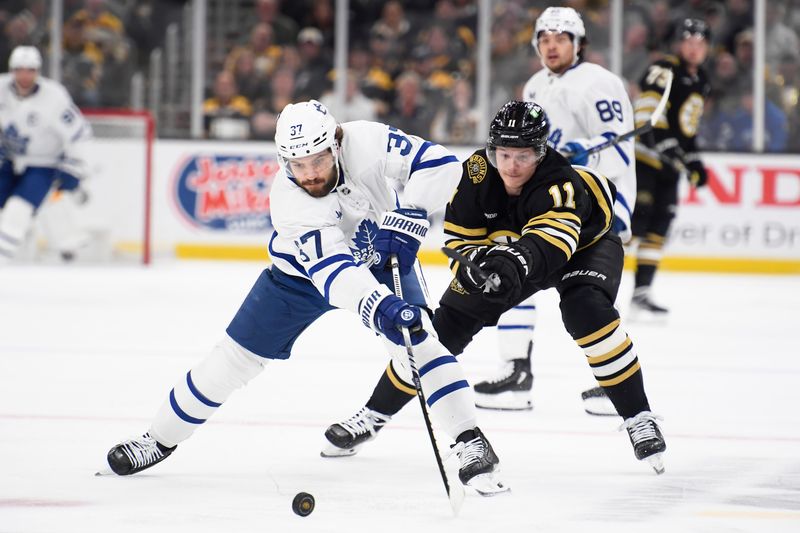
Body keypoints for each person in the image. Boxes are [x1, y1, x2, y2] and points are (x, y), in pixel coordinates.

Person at [103, 100, 508, 495]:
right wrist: (382, 306)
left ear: (336, 142)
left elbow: (441, 165)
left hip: (382, 255)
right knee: (229, 363)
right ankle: (158, 439)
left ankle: (469, 440)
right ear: (283, 162)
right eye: (298, 165)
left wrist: (409, 215)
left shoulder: (364, 139)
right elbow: (335, 275)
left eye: (318, 159)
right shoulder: (290, 203)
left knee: (418, 340)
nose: (310, 174)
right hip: (299, 279)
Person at [323, 101, 667, 475]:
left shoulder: (559, 180)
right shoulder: (475, 174)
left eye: (522, 156)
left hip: (586, 247)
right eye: (503, 154)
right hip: (511, 258)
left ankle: (638, 416)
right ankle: (374, 414)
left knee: (586, 312)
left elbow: (554, 244)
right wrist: (472, 268)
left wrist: (508, 262)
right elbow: (459, 238)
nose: (511, 166)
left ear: (540, 152)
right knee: (442, 333)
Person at [469, 6, 638, 414]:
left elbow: (618, 138)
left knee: (588, 294)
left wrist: (593, 160)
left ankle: (612, 382)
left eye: (560, 39)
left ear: (578, 44)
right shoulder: (534, 86)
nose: (551, 46)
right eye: (544, 39)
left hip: (597, 202)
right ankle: (516, 371)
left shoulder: (599, 82)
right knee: (513, 268)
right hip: (550, 202)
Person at [630, 18, 711, 316]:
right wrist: (661, 140)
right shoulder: (665, 68)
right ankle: (599, 288)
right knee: (635, 225)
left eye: (700, 44)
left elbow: (687, 127)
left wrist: (693, 159)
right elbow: (646, 111)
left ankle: (641, 294)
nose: (694, 48)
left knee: (658, 229)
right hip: (645, 162)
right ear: (679, 43)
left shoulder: (702, 79)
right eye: (689, 42)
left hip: (669, 168)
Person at [0, 46, 93, 263]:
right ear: (12, 70)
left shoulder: (54, 97)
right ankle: (67, 240)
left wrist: (75, 168)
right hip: (9, 160)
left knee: (18, 210)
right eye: (19, 70)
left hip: (43, 164)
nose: (25, 75)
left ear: (38, 71)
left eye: (30, 70)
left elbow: (81, 134)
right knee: (31, 206)